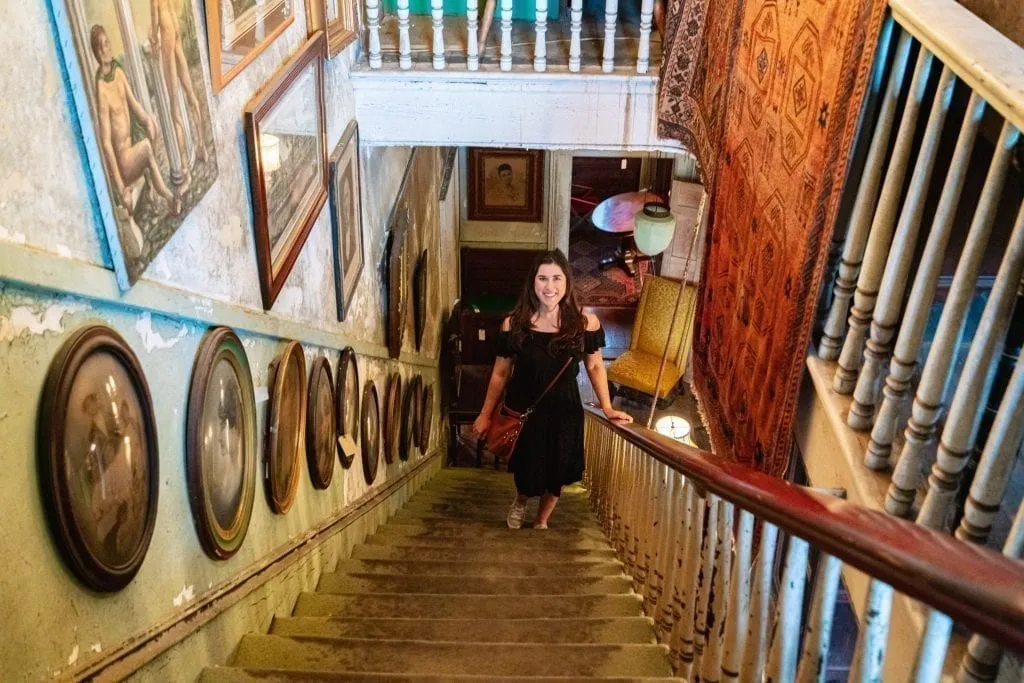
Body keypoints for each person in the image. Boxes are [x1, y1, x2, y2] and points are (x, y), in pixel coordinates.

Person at [472, 249, 632, 530]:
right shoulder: (515, 324)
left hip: (564, 408)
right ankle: (521, 501)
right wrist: (485, 415)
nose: (550, 286)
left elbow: (595, 367)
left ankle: (542, 522)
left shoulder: (584, 323)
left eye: (557, 278)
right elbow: (500, 373)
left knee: (558, 471)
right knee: (527, 467)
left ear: (567, 282)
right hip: (525, 406)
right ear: (533, 283)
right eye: (543, 278)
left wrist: (607, 407)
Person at [90, 25, 180, 217]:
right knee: (147, 148)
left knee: (151, 126)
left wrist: (147, 119)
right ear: (96, 52)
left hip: (132, 149)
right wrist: (122, 188)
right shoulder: (101, 90)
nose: (105, 49)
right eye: (100, 47)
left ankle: (152, 189)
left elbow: (133, 103)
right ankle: (168, 196)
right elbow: (106, 143)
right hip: (123, 163)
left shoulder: (118, 72)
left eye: (107, 44)